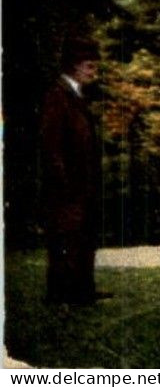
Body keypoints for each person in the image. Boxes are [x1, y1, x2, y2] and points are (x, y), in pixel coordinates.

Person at [41, 41, 103, 305]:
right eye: (89, 66)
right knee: (67, 238)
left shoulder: (76, 96)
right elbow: (51, 145)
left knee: (84, 237)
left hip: (82, 185)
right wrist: (63, 183)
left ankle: (83, 290)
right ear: (74, 67)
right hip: (67, 187)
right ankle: (63, 294)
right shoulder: (57, 96)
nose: (93, 72)